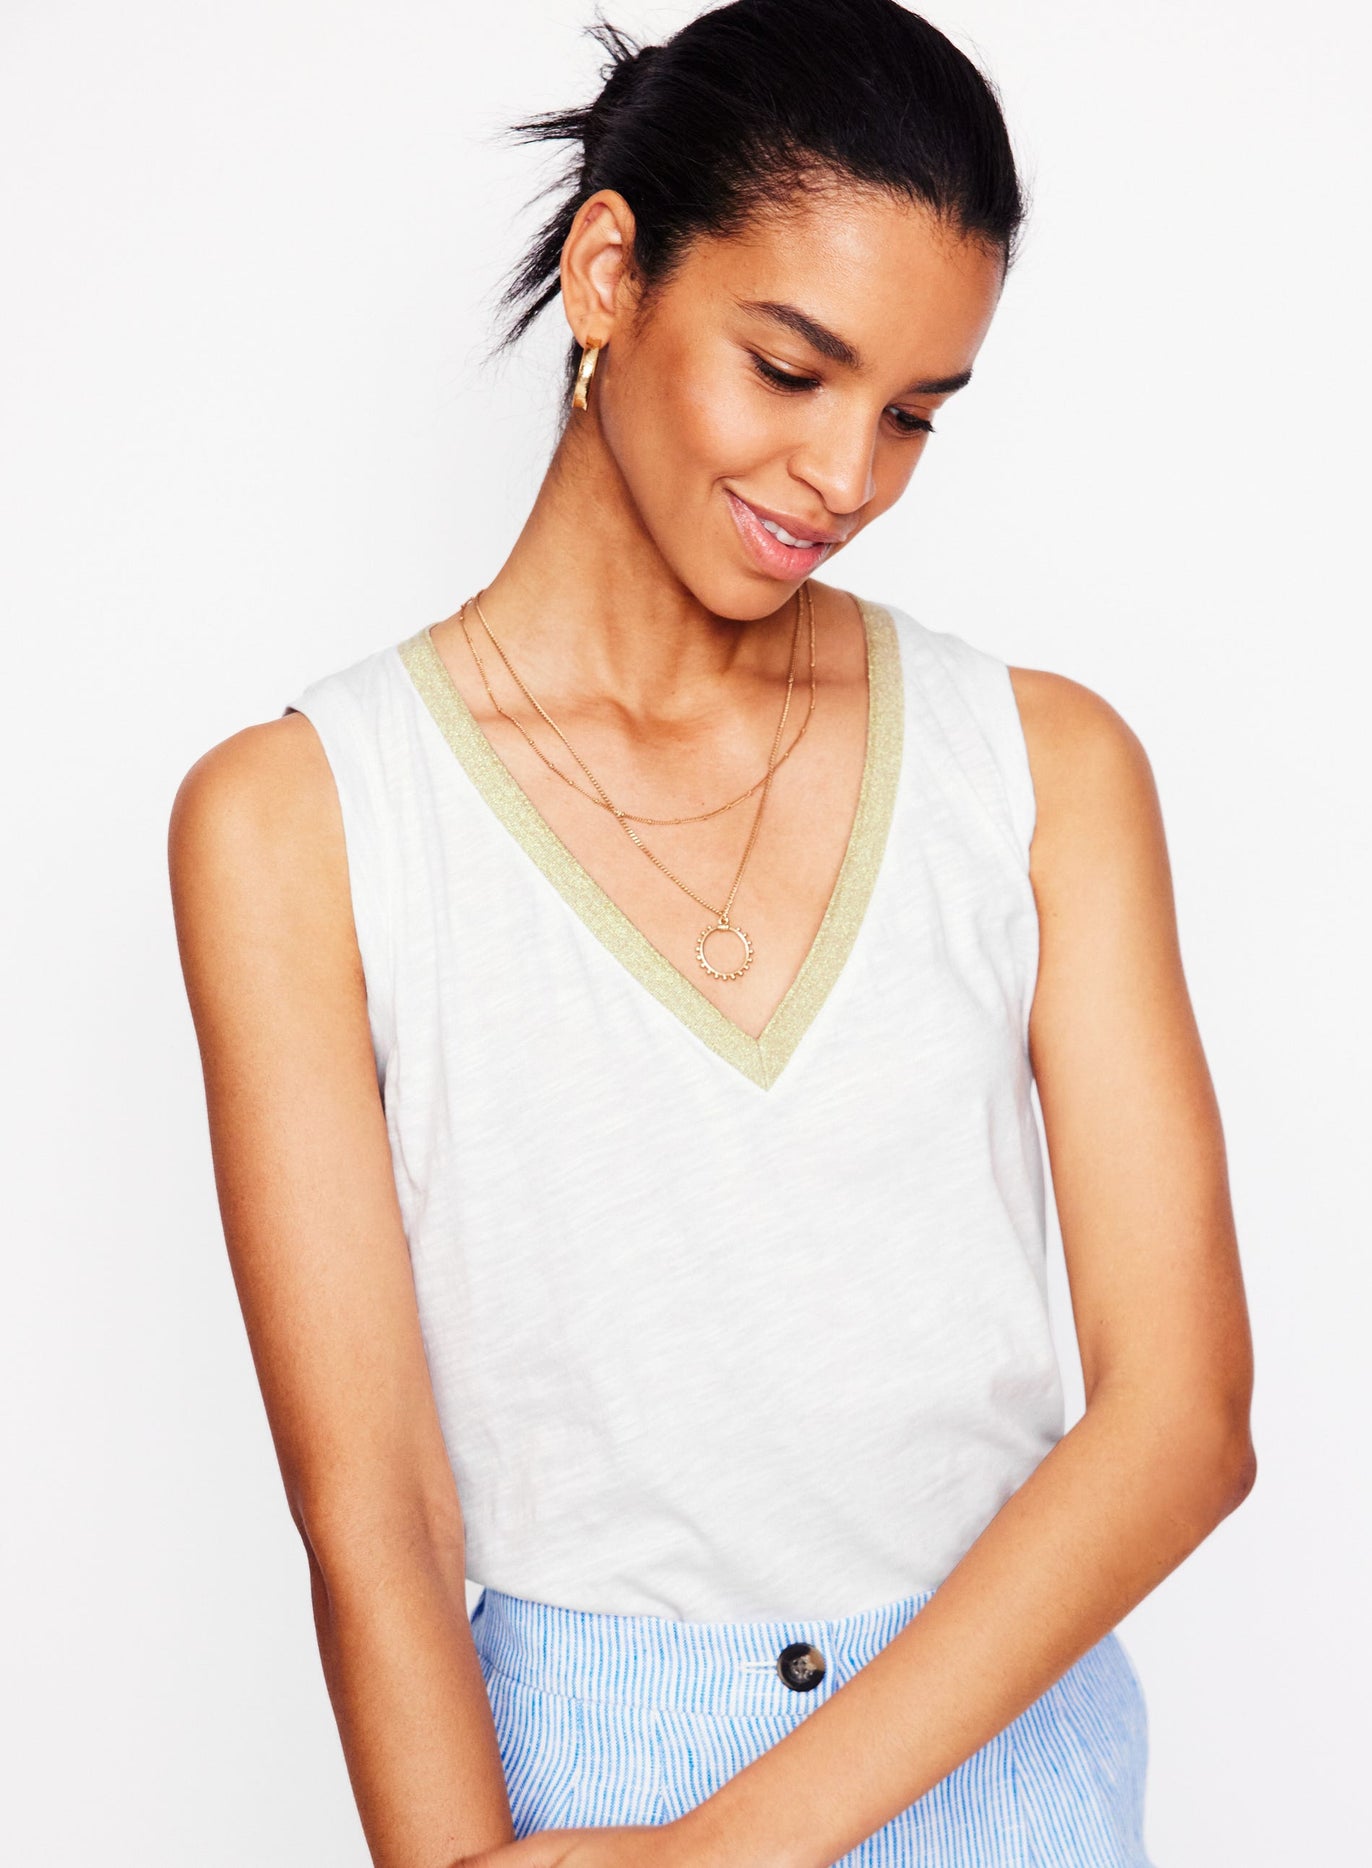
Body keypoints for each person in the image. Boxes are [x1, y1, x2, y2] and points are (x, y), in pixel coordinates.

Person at [168, 2, 1256, 1863]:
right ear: (611, 272)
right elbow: (375, 1510)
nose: (845, 475)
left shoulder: (1041, 767)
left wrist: (716, 1858)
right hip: (572, 1772)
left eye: (911, 414)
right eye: (789, 368)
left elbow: (1183, 1420)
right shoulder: (301, 822)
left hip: (1006, 1761)